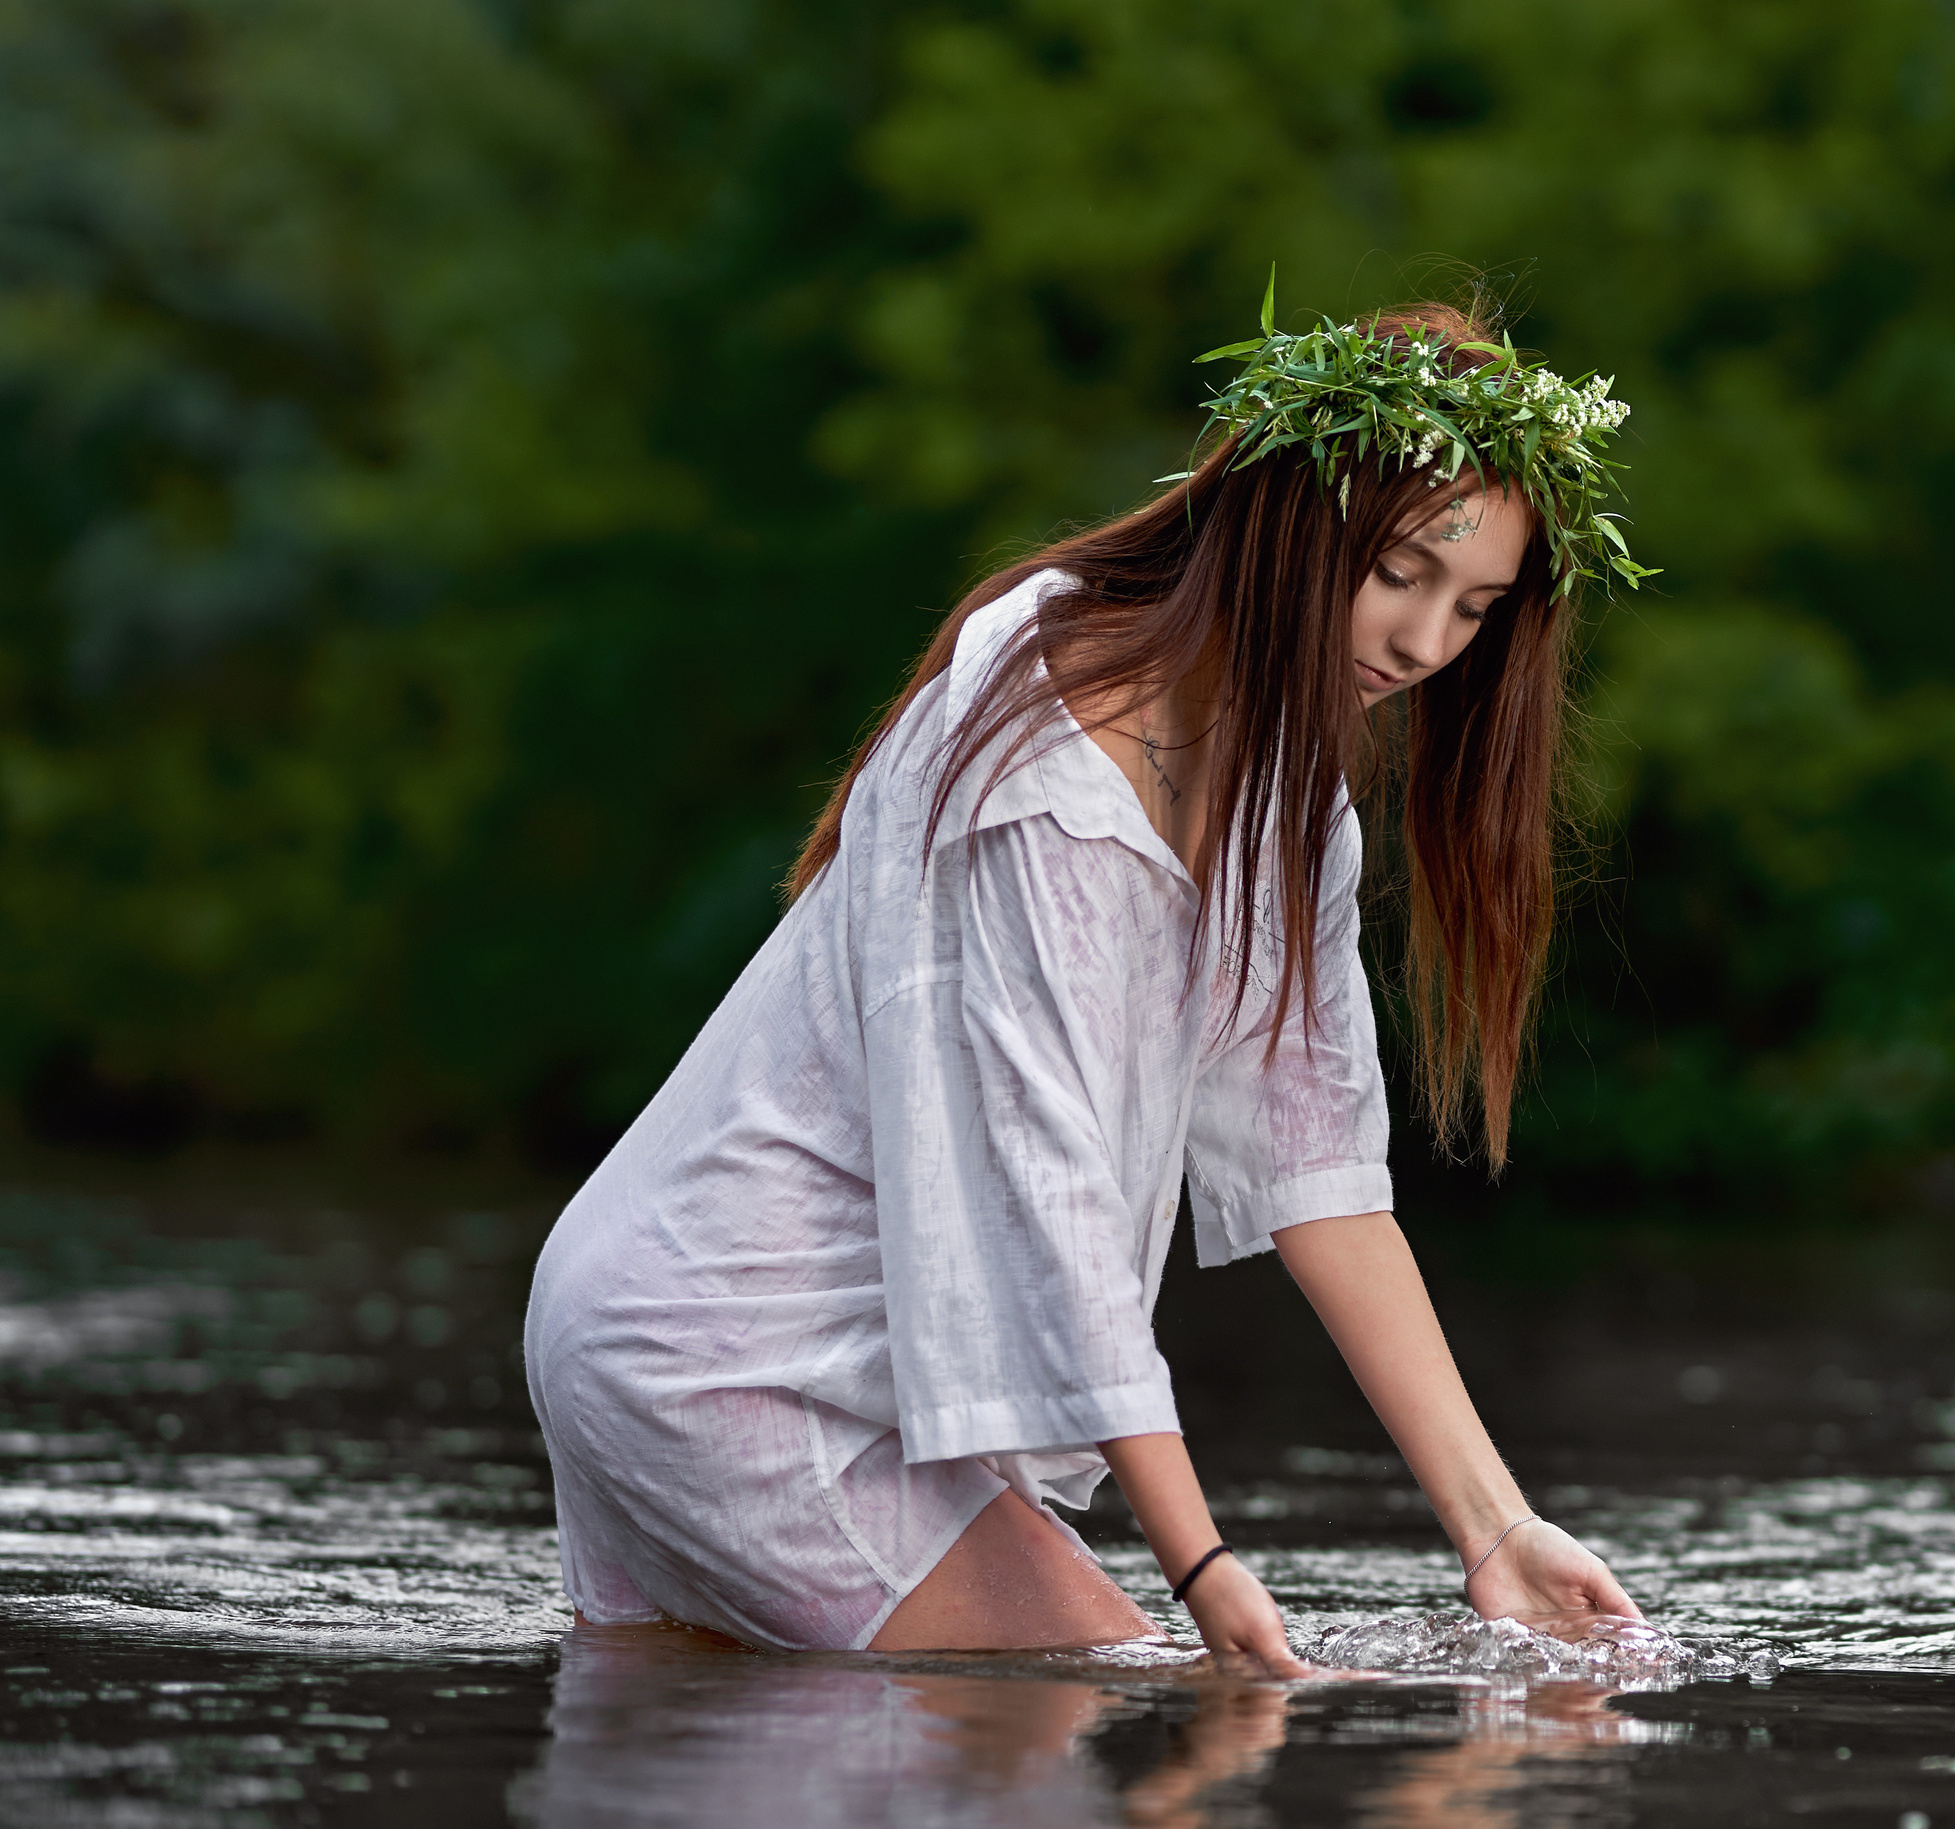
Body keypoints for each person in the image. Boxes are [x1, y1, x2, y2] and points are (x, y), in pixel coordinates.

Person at [521, 287, 1655, 1672]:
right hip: (715, 1348)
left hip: (818, 1366)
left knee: (758, 1742)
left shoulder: (1280, 801)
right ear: (1296, 522)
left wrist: (1495, 1526)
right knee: (1103, 1691)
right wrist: (1201, 1563)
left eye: (1474, 607)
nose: (1426, 644)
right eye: (1403, 572)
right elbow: (1045, 1179)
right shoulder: (1048, 756)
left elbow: (1324, 1174)